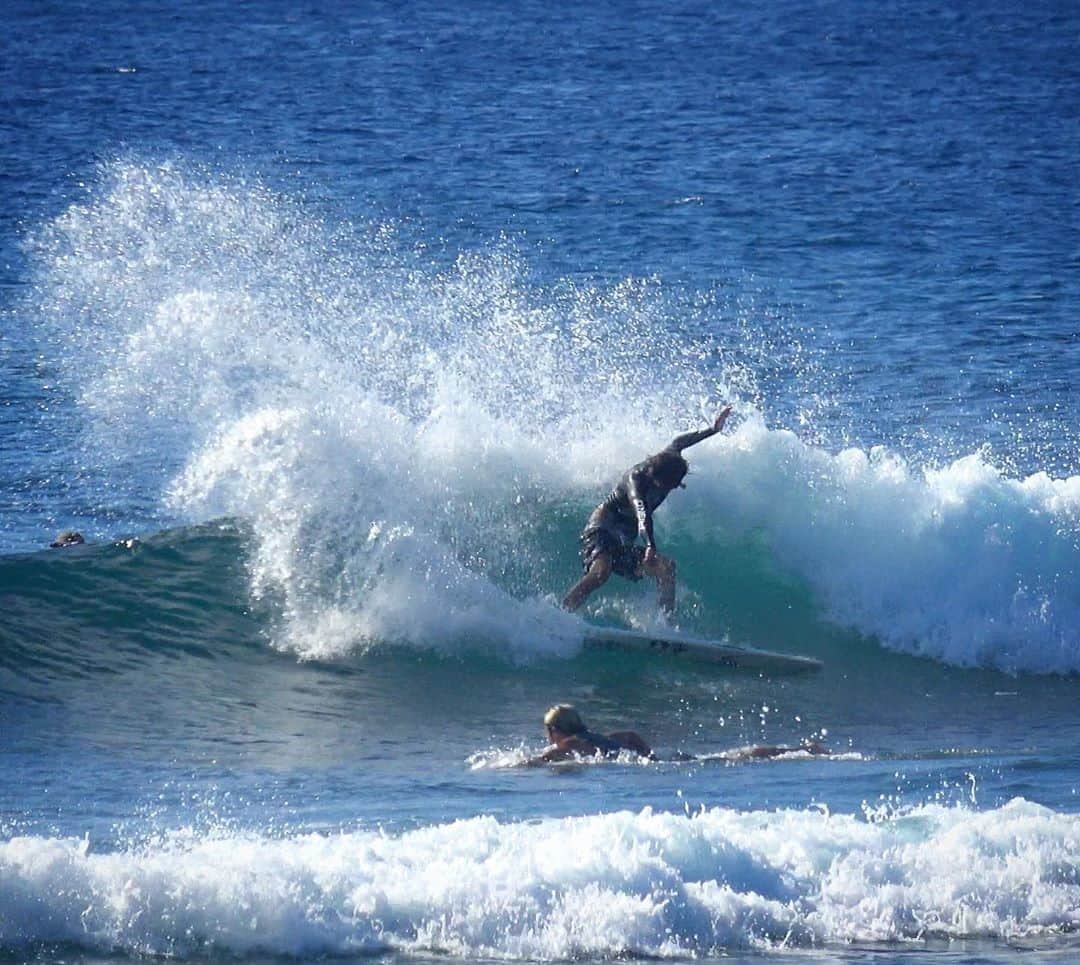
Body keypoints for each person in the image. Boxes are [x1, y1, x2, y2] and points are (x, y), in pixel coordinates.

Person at [563, 407, 733, 615]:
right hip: (603, 528)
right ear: (656, 479)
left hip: (624, 537)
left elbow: (680, 442)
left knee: (666, 568)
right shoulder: (635, 480)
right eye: (667, 486)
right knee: (601, 571)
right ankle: (564, 611)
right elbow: (642, 515)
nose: (669, 489)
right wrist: (650, 545)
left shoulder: (670, 457)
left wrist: (713, 429)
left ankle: (665, 627)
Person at [527, 704, 653, 764]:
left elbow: (539, 761)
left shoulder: (569, 743)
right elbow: (631, 735)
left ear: (553, 729)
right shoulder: (600, 737)